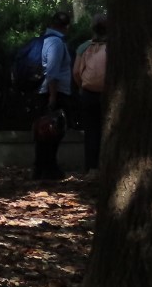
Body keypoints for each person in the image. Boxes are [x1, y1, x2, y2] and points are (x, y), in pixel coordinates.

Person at [32, 11, 74, 181]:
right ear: (65, 27)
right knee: (51, 133)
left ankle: (43, 169)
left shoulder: (48, 40)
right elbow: (52, 72)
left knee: (46, 133)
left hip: (50, 92)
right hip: (55, 93)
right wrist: (53, 97)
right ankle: (48, 170)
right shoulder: (56, 43)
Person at [72, 14, 108, 178]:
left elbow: (76, 72)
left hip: (88, 94)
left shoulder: (84, 47)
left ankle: (92, 169)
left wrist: (81, 88)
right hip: (109, 94)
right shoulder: (114, 46)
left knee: (91, 131)